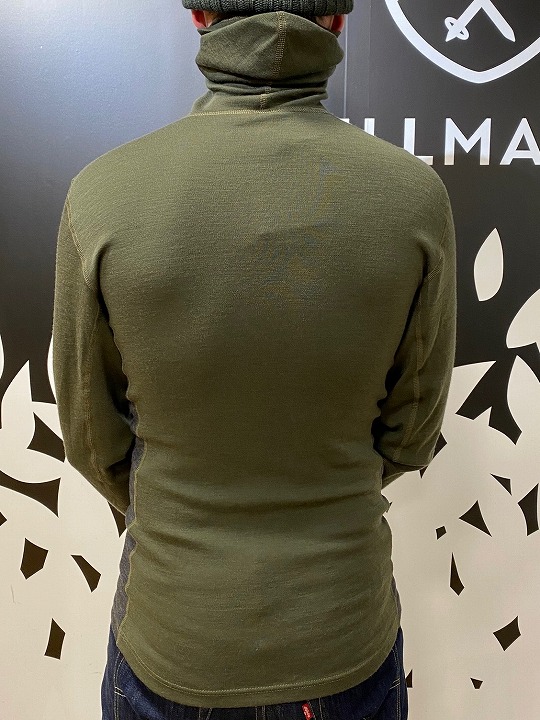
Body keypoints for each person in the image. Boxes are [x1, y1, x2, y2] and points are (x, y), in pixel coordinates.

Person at [52, 0, 457, 718]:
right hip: (341, 636)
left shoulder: (102, 195)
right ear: (339, 22)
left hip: (175, 636)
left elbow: (91, 438)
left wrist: (182, 510)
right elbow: (412, 432)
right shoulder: (415, 200)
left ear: (199, 14)